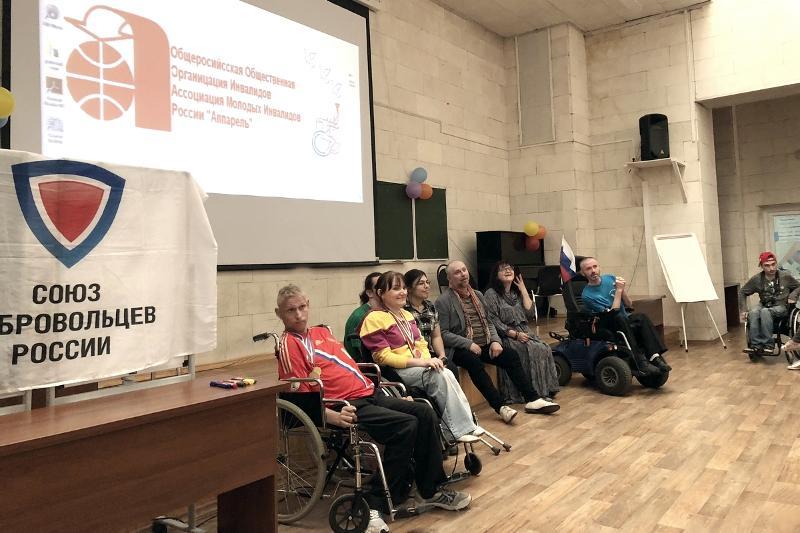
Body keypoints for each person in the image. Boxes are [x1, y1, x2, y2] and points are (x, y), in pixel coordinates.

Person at [275, 284, 471, 533]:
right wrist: (331, 415)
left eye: (302, 307)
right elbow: (298, 396)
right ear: (279, 313)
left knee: (423, 411)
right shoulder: (289, 345)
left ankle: (429, 490)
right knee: (405, 425)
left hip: (370, 392)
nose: (299, 314)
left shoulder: (320, 332)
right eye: (291, 310)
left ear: (308, 305)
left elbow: (347, 367)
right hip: (345, 405)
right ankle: (375, 501)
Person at [359, 271, 483, 444]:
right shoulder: (374, 318)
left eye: (403, 288)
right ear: (381, 293)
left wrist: (430, 360)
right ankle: (457, 430)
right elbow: (383, 357)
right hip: (396, 371)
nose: (402, 292)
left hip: (418, 366)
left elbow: (421, 344)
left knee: (446, 372)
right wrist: (423, 362)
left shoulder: (407, 315)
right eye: (396, 288)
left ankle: (466, 425)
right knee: (438, 376)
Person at [436, 260, 560, 422]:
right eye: (457, 272)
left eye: (464, 270)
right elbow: (443, 333)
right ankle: (500, 407)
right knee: (474, 363)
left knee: (511, 356)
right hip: (461, 348)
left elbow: (488, 322)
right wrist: (468, 344)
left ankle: (532, 399)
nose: (463, 274)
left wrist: (495, 341)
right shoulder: (443, 301)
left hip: (484, 342)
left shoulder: (478, 295)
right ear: (449, 279)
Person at [577, 257, 669, 376]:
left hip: (623, 318)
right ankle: (640, 362)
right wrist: (618, 291)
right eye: (588, 269)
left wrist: (623, 290)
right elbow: (613, 313)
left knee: (641, 317)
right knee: (619, 318)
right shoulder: (587, 295)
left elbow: (629, 304)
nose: (593, 271)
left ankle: (654, 356)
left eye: (595, 267)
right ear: (583, 273)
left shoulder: (610, 278)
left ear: (599, 267)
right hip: (607, 322)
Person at [483, 261, 560, 402]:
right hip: (505, 335)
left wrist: (523, 289)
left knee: (544, 348)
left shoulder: (515, 293)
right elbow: (492, 320)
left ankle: (544, 390)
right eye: (503, 269)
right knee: (526, 350)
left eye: (510, 268)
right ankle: (526, 393)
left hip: (524, 331)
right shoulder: (491, 294)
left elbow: (530, 313)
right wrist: (514, 334)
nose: (508, 270)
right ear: (496, 275)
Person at [739, 252, 800, 354]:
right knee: (753, 312)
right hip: (764, 304)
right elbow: (742, 292)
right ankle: (756, 345)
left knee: (765, 312)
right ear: (761, 266)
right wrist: (743, 310)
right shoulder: (757, 279)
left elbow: (798, 286)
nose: (771, 268)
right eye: (767, 265)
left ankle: (768, 345)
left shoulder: (785, 276)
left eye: (773, 264)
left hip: (781, 306)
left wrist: (793, 295)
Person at [403, 269, 458, 376]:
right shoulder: (403, 309)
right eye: (421, 283)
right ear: (409, 288)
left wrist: (442, 356)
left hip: (430, 353)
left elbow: (436, 336)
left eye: (427, 282)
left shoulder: (430, 306)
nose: (427, 286)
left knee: (451, 368)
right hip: (413, 356)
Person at [343, 272, 382, 359]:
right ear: (369, 293)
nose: (383, 289)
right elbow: (357, 355)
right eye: (379, 287)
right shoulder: (358, 316)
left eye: (385, 286)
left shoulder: (388, 312)